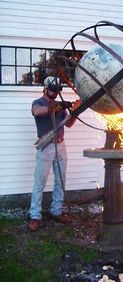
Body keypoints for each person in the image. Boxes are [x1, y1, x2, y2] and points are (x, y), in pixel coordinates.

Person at [28, 76, 80, 232]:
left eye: (57, 91)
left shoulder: (60, 105)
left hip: (60, 145)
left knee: (61, 180)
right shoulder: (38, 103)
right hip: (46, 146)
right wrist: (53, 107)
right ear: (45, 88)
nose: (55, 93)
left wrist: (75, 110)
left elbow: (69, 124)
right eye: (52, 90)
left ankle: (56, 210)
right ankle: (35, 216)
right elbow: (37, 112)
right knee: (40, 182)